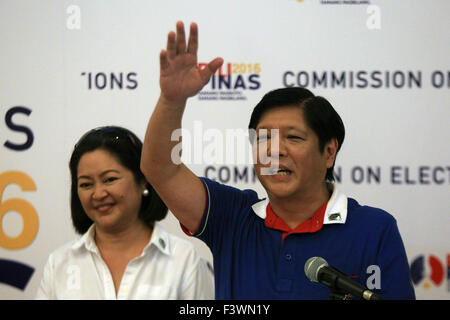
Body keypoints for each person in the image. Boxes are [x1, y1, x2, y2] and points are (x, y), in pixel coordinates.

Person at [140, 21, 416, 299]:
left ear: (329, 152)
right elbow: (161, 169)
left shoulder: (374, 229)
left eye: (294, 138)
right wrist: (171, 101)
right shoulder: (233, 217)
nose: (275, 150)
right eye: (264, 139)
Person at [35, 126, 214, 299]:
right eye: (86, 184)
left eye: (110, 179)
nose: (98, 194)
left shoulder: (183, 259)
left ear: (143, 180)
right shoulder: (59, 263)